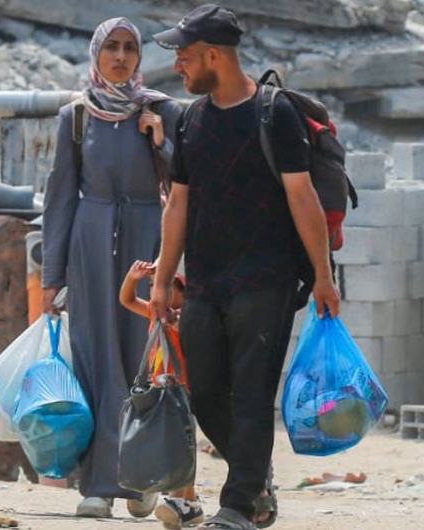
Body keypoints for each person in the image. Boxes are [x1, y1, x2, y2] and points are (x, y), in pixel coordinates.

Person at [149, 4, 342, 529]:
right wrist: (165, 279)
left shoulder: (272, 113)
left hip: (267, 279)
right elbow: (178, 204)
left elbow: (302, 198)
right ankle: (255, 482)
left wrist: (323, 277)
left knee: (253, 391)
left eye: (185, 58)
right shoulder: (190, 119)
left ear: (214, 55)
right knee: (207, 392)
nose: (180, 69)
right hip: (207, 281)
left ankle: (235, 506)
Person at [41, 16, 184, 519]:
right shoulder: (75, 117)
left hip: (149, 245)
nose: (121, 57)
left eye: (130, 49)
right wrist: (50, 279)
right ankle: (97, 485)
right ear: (97, 54)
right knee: (96, 358)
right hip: (91, 244)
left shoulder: (163, 110)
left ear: (140, 58)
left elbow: (186, 185)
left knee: (146, 359)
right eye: (112, 48)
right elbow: (58, 199)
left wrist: (160, 140)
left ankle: (144, 476)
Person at [120, 261, 204, 530]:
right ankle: (184, 501)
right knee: (164, 442)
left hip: (182, 392)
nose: (158, 293)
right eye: (153, 287)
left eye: (165, 287)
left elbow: (183, 330)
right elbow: (127, 299)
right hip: (158, 389)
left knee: (182, 444)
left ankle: (184, 501)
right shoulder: (155, 314)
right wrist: (132, 278)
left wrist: (174, 320)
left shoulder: (188, 318)